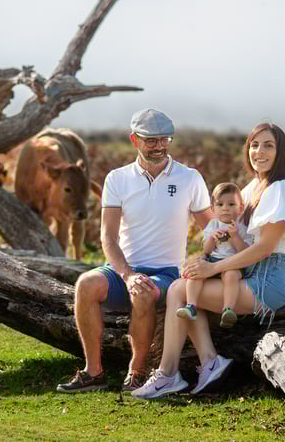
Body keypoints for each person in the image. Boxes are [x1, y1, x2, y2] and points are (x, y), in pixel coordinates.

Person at [132, 122, 285, 399]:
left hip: (269, 281)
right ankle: (208, 363)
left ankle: (169, 374)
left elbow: (264, 249)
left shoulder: (282, 189)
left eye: (268, 145)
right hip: (248, 274)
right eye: (254, 144)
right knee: (187, 286)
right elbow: (228, 234)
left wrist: (213, 267)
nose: (259, 151)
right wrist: (203, 259)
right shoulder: (252, 189)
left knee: (179, 289)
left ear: (281, 152)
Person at [56, 108, 213, 393]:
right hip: (122, 271)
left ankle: (138, 371)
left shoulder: (190, 178)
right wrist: (127, 274)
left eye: (165, 139)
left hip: (166, 274)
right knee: (85, 284)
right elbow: (108, 236)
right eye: (151, 140)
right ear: (134, 140)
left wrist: (210, 260)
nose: (159, 146)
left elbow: (211, 228)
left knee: (143, 292)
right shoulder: (117, 179)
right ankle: (94, 373)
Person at [176, 182, 253, 328]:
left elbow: (245, 252)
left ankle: (228, 309)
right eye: (220, 204)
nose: (225, 208)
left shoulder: (242, 227)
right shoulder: (212, 225)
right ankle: (191, 305)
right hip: (212, 261)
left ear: (240, 208)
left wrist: (235, 236)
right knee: (196, 274)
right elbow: (206, 250)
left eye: (231, 204)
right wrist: (211, 238)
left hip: (233, 263)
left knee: (231, 277)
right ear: (213, 208)